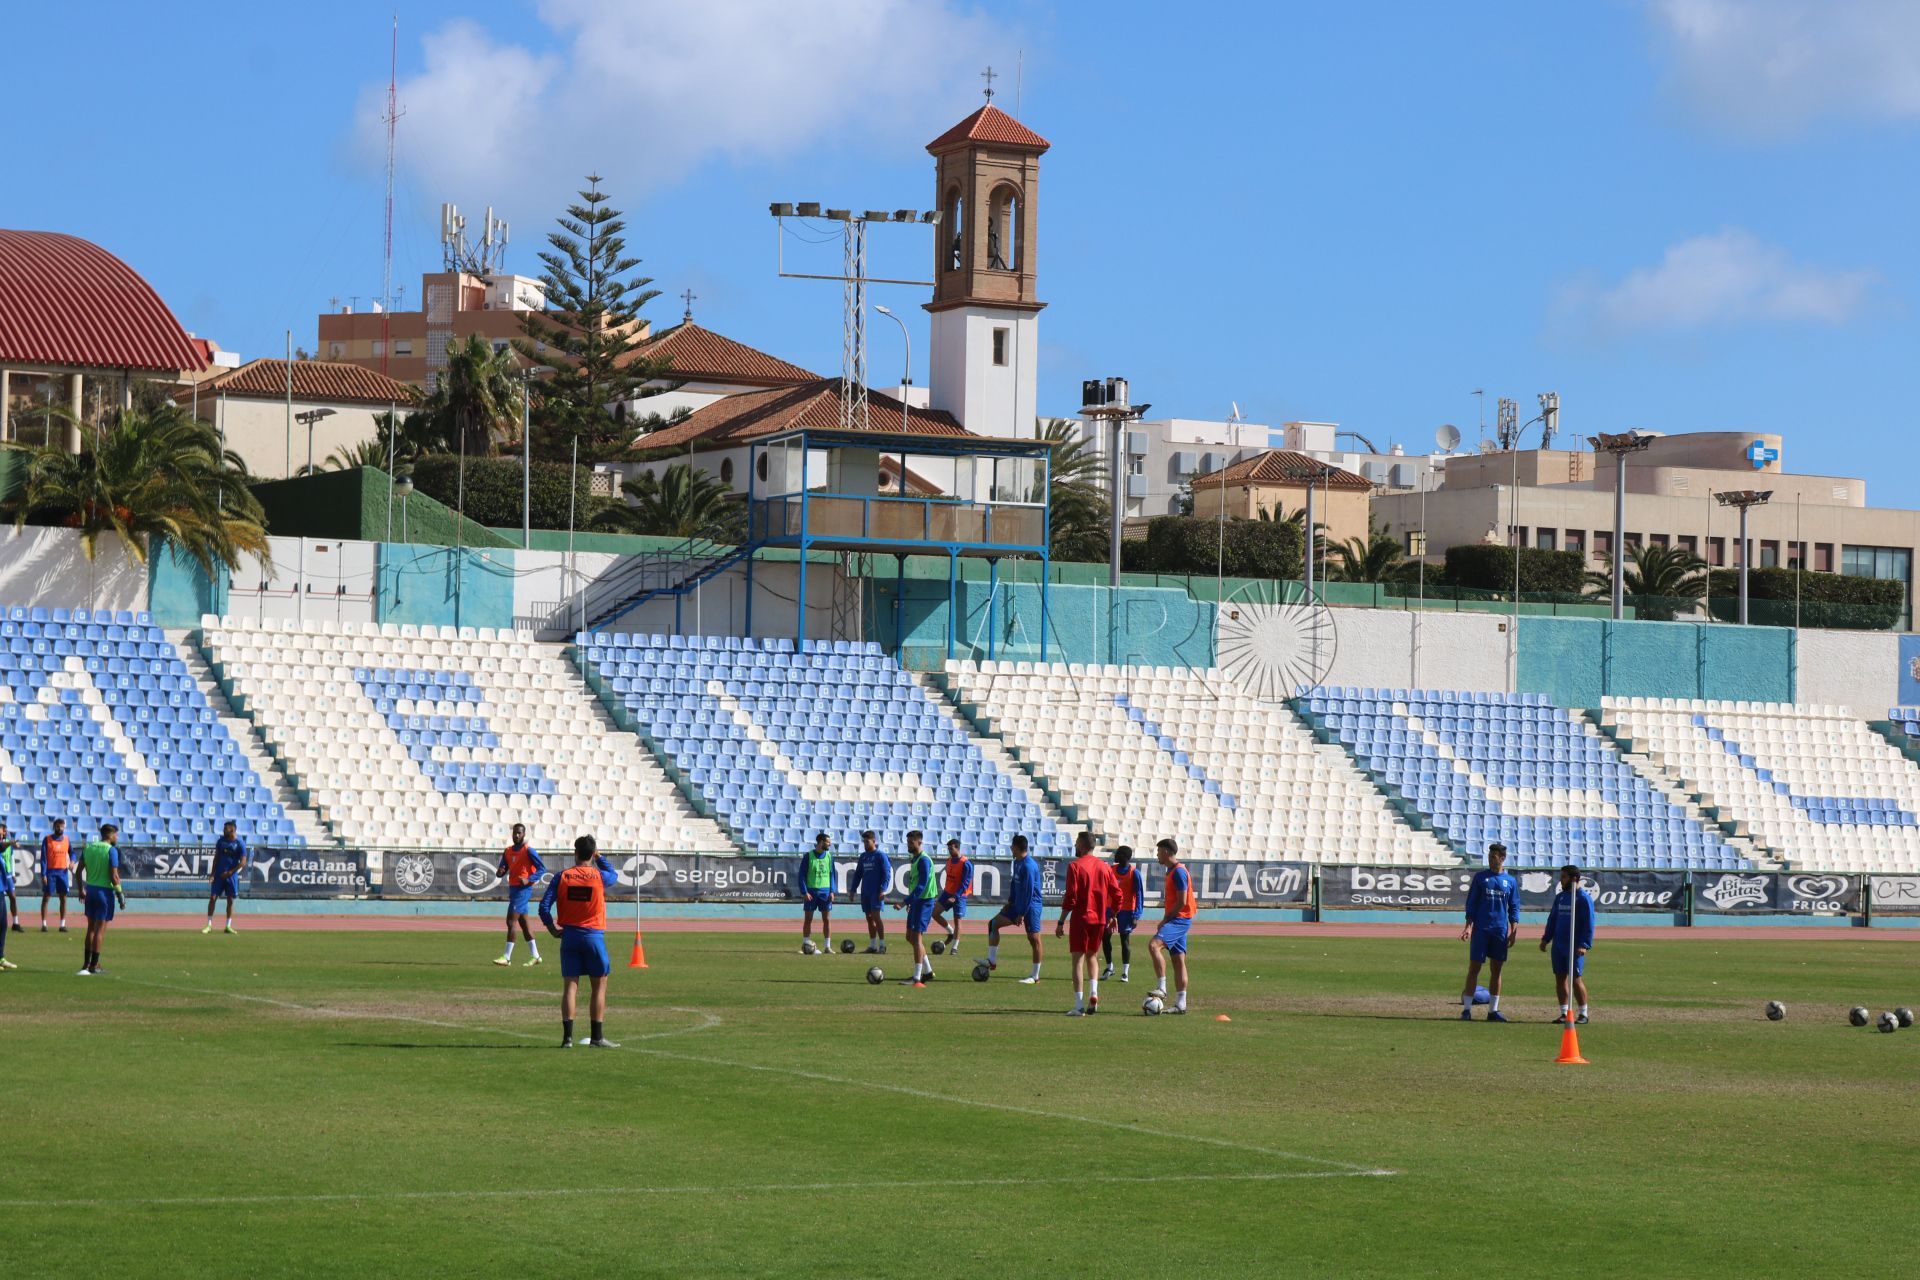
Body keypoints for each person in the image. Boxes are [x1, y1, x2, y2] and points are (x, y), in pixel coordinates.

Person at [538, 834, 620, 1049]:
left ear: (574, 853)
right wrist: (600, 858)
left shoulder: (562, 877)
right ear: (592, 854)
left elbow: (543, 907)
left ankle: (567, 1039)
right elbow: (614, 874)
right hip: (593, 936)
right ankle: (597, 1037)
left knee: (570, 987)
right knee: (599, 986)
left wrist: (553, 929)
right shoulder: (599, 877)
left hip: (569, 937)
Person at [1056, 832, 1118, 1015]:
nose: (1075, 846)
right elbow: (1117, 893)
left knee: (1077, 960)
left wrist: (1061, 921)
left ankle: (1078, 1005)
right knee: (1093, 956)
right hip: (1099, 919)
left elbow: (1071, 897)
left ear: (1082, 845)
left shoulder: (1075, 866)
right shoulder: (1105, 867)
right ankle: (1094, 993)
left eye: (1076, 843)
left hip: (1081, 918)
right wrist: (1113, 914)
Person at [1458, 842, 1520, 1023]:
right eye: (1489, 856)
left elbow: (1514, 907)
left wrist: (1514, 929)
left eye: (1494, 857)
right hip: (1481, 929)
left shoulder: (1511, 881)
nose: (1491, 860)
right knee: (1474, 968)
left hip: (1499, 930)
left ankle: (1493, 1011)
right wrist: (1468, 926)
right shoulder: (1480, 878)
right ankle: (1467, 1010)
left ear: (1502, 858)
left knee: (1497, 969)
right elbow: (1472, 904)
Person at [1540, 864, 1596, 1025]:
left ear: (1574, 879)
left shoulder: (1583, 898)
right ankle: (1564, 1012)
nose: (1560, 880)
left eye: (1563, 877)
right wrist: (1546, 938)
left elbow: (1589, 923)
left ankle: (1583, 1013)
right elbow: (1553, 919)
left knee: (1576, 979)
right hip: (1559, 944)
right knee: (1560, 979)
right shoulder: (1561, 897)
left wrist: (1584, 944)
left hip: (1574, 945)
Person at [985, 834, 1045, 984]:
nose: (1010, 848)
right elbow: (1014, 883)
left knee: (1034, 939)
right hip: (1016, 904)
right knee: (993, 924)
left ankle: (1035, 976)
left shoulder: (1028, 865)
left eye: (1012, 846)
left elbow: (1029, 892)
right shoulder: (1017, 862)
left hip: (1030, 906)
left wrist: (1022, 913)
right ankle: (991, 961)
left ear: (1017, 848)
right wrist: (1010, 901)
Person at [1147, 838, 1194, 1013]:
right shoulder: (1173, 871)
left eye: (1159, 851)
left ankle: (1162, 988)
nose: (1157, 854)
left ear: (1166, 851)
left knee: (1153, 946)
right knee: (1178, 960)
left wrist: (1165, 919)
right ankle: (1181, 1004)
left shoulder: (1179, 872)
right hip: (1181, 919)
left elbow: (1182, 901)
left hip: (1179, 919)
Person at [494, 823, 548, 967]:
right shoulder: (507, 851)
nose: (516, 835)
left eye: (519, 833)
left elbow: (542, 868)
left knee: (511, 921)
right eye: (515, 833)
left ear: (524, 835)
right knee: (524, 924)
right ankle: (536, 956)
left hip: (523, 890)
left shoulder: (528, 850)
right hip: (514, 889)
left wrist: (529, 879)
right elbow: (503, 867)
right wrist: (500, 872)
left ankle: (507, 957)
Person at [75, 823, 123, 977]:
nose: (117, 837)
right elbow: (114, 876)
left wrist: (81, 889)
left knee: (90, 929)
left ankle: (86, 963)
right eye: (116, 834)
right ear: (110, 835)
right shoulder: (111, 850)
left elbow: (78, 870)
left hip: (91, 891)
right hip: (104, 893)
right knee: (100, 930)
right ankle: (94, 966)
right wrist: (121, 896)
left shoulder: (89, 847)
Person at [900, 831, 939, 987]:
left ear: (919, 842)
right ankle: (928, 971)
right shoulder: (916, 859)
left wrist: (905, 902)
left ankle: (917, 977)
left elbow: (922, 886)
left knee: (916, 939)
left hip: (924, 902)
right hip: (917, 902)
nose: (908, 845)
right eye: (908, 842)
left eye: (911, 842)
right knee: (910, 937)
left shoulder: (923, 860)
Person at [1102, 844, 1145, 983]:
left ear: (1124, 857)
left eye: (1118, 854)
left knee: (1124, 940)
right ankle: (1109, 967)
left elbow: (1139, 895)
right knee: (1105, 937)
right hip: (1110, 910)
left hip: (1127, 911)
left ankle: (1125, 972)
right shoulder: (1111, 870)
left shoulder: (1134, 873)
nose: (1115, 856)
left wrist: (1137, 915)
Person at [203, 820, 250, 935]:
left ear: (232, 829)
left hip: (231, 876)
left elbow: (243, 862)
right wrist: (212, 874)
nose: (223, 831)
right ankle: (209, 925)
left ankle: (228, 926)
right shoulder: (221, 841)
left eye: (225, 829)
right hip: (219, 875)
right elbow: (216, 858)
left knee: (230, 900)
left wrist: (231, 872)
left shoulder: (240, 844)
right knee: (213, 898)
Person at [851, 830, 892, 954]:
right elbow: (858, 874)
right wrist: (853, 890)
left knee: (876, 916)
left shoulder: (880, 855)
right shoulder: (863, 856)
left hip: (876, 891)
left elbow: (887, 873)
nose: (865, 844)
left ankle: (882, 945)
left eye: (867, 842)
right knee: (869, 917)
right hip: (866, 891)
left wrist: (883, 889)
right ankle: (873, 945)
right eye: (864, 842)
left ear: (874, 841)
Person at [930, 838, 972, 955]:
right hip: (947, 892)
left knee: (957, 920)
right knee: (935, 913)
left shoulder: (966, 863)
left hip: (960, 895)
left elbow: (965, 883)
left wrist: (956, 895)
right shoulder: (949, 861)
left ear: (957, 848)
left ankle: (954, 947)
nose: (949, 850)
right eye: (948, 848)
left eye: (951, 848)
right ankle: (950, 931)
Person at [798, 832, 835, 955]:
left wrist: (832, 891)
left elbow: (831, 874)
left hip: (825, 892)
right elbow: (801, 875)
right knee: (808, 919)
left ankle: (827, 947)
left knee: (827, 919)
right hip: (811, 892)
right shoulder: (808, 856)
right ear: (820, 842)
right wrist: (804, 892)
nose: (829, 844)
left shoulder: (829, 856)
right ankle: (806, 945)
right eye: (827, 842)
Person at [40, 817, 71, 933]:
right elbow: (43, 858)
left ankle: (62, 925)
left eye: (62, 826)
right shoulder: (47, 839)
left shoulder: (67, 840)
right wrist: (43, 874)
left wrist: (72, 861)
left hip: (63, 873)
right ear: (54, 827)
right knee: (46, 897)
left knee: (63, 898)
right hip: (50, 872)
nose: (60, 828)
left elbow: (72, 853)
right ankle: (44, 924)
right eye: (58, 826)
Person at [0, 821, 20, 937]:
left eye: (5, 830)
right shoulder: (4, 844)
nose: (5, 832)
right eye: (3, 830)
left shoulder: (8, 844)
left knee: (13, 897)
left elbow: (12, 858)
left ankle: (16, 922)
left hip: (7, 874)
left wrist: (13, 873)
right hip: (1, 875)